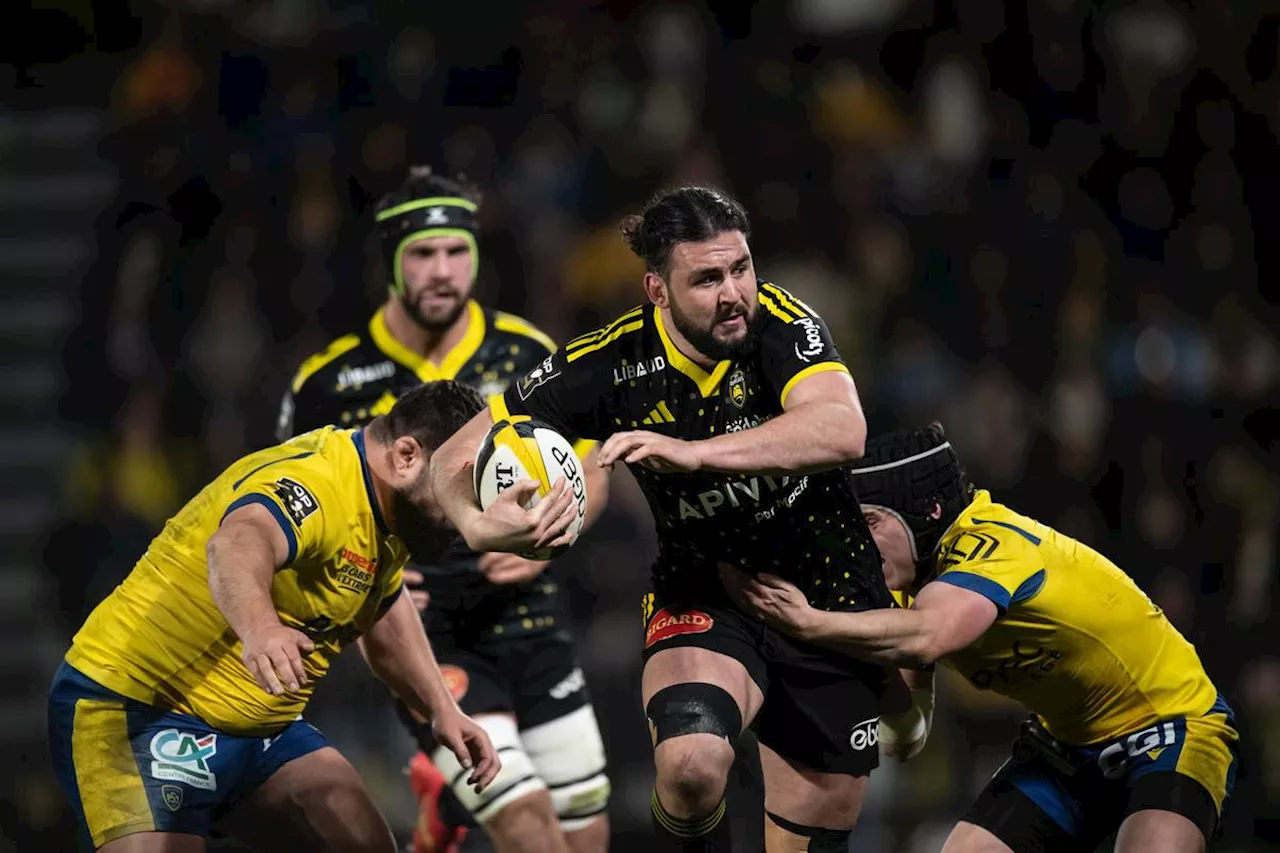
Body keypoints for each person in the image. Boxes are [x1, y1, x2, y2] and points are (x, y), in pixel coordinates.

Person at [427, 185, 902, 853]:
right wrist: (483, 528)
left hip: (829, 589)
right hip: (705, 588)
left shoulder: (783, 325)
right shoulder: (609, 364)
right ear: (657, 289)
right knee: (690, 767)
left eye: (740, 267)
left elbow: (841, 427)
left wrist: (696, 454)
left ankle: (907, 683)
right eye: (706, 278)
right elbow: (452, 458)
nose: (734, 291)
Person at [48, 381, 579, 853]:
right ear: (406, 455)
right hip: (136, 708)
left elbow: (384, 602)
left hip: (258, 732)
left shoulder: (392, 508)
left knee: (360, 835)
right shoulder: (321, 485)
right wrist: (259, 628)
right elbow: (236, 543)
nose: (470, 514)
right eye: (463, 490)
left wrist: (440, 707)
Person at [279, 167, 612, 853]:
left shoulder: (527, 355)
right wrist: (372, 574)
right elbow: (290, 512)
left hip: (535, 622)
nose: (443, 270)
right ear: (391, 264)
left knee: (588, 835)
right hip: (430, 640)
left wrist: (560, 527)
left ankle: (438, 829)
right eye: (422, 254)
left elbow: (593, 463)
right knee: (528, 828)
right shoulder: (328, 383)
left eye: (457, 251)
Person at [723, 422, 1240, 853]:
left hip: (1171, 725)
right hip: (1065, 747)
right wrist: (842, 657)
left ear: (922, 512)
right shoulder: (904, 594)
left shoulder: (994, 544)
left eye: (870, 524)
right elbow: (904, 735)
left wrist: (811, 622)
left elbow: (929, 636)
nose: (856, 544)